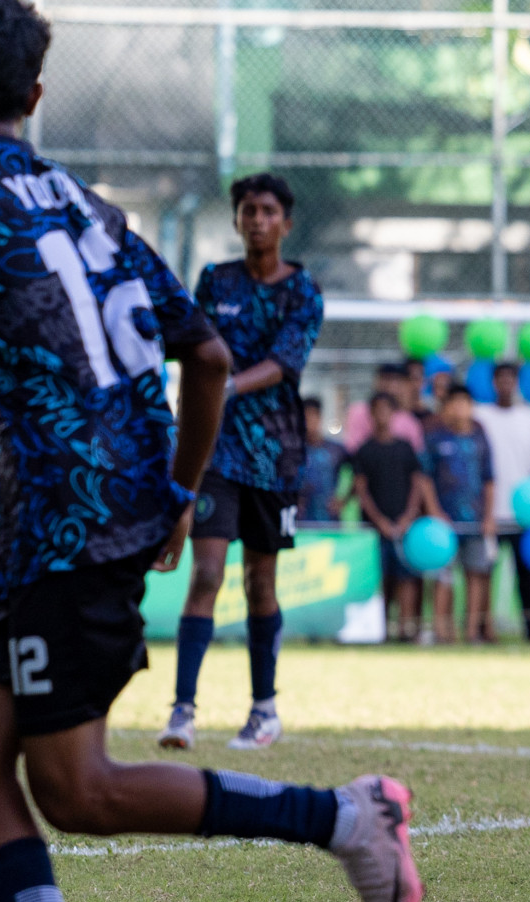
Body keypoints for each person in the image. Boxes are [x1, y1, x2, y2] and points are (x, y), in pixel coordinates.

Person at [0, 7, 422, 902]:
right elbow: (205, 356)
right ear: (33, 98)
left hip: (68, 519)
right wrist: (174, 490)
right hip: (89, 507)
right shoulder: (85, 201)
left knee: (80, 790)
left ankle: (345, 815)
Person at [158, 173, 323, 752]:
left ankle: (264, 709)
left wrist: (224, 385)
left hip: (277, 456)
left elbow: (284, 362)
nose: (257, 219)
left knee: (261, 584)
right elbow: (192, 354)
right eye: (248, 210)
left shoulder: (303, 291)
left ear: (286, 222)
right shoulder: (215, 281)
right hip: (218, 450)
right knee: (205, 572)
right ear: (236, 220)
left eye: (268, 210)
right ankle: (181, 711)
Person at [473, 361, 530, 642]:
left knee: (528, 577)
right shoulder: (480, 416)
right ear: (493, 381)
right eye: (501, 378)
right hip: (490, 513)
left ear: (516, 382)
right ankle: (483, 631)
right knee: (484, 576)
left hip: (524, 515)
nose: (506, 383)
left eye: (511, 378)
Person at [353, 392, 430, 641]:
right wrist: (380, 521)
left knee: (406, 578)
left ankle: (406, 629)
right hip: (374, 529)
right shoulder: (364, 450)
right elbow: (361, 490)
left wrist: (408, 516)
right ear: (371, 414)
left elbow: (418, 483)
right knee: (381, 579)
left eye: (388, 409)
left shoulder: (405, 447)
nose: (383, 415)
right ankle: (381, 629)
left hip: (405, 526)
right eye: (378, 410)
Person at [425, 385, 496, 644]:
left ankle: (471, 631)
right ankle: (442, 630)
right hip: (444, 522)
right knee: (443, 576)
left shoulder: (480, 440)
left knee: (476, 573)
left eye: (463, 403)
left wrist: (489, 517)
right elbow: (425, 479)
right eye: (452, 403)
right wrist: (434, 511)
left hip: (476, 520)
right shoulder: (435, 439)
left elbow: (490, 480)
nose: (458, 408)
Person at [342, 363, 425, 453]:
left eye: (396, 381)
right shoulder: (358, 411)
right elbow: (353, 448)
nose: (390, 386)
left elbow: (416, 456)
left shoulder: (409, 422)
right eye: (386, 379)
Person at [298, 396, 348, 524]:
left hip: (330, 520)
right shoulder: (296, 450)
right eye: (306, 417)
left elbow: (359, 472)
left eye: (313, 416)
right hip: (302, 522)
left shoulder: (336, 449)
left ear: (320, 417)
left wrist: (344, 499)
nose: (310, 421)